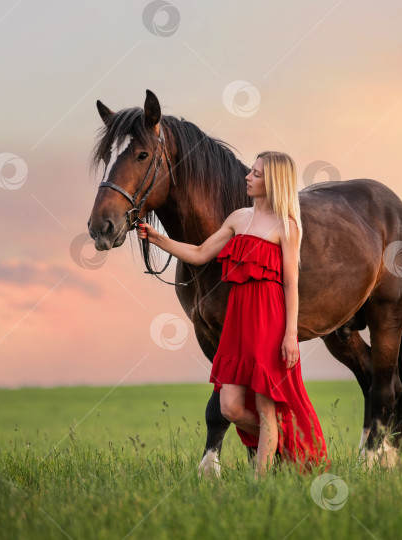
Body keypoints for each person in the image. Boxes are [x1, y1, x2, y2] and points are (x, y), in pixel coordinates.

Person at [137, 150, 330, 478]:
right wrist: (158, 239)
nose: (247, 177)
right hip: (237, 322)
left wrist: (289, 335)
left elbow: (292, 285)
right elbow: (198, 254)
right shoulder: (238, 218)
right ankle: (285, 442)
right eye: (251, 172)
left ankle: (260, 483)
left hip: (269, 321)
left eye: (255, 174)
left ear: (272, 183)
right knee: (230, 406)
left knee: (267, 407)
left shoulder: (288, 226)